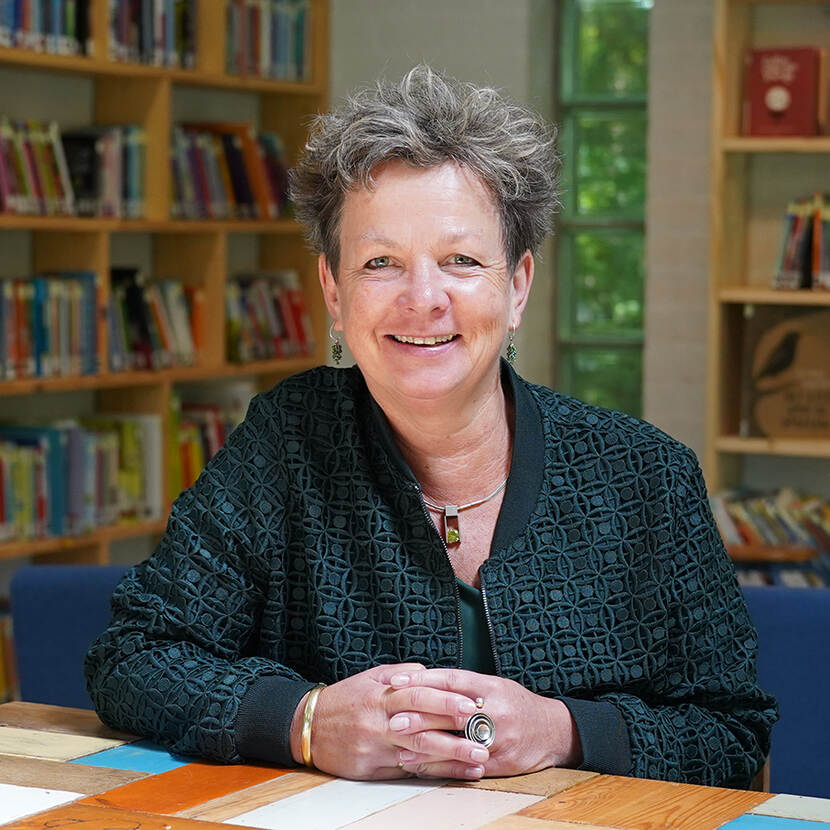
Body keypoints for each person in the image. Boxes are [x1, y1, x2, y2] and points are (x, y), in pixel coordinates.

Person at [85, 65, 777, 787]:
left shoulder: (646, 478)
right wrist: (307, 720)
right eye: (381, 262)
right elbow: (133, 655)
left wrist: (563, 730)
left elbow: (732, 732)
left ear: (517, 287)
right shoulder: (288, 440)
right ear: (333, 289)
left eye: (461, 261)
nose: (423, 299)